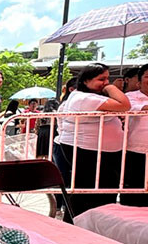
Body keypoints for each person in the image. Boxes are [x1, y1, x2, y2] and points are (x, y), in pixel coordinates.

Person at [53, 62, 131, 218]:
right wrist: (111, 88)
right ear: (85, 81)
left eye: (107, 79)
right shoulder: (84, 98)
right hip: (88, 151)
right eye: (101, 79)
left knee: (98, 192)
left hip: (98, 151)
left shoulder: (88, 97)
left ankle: (90, 224)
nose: (105, 83)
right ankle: (78, 225)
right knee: (89, 192)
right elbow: (125, 104)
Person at [122, 63, 148, 206]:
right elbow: (134, 108)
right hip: (135, 150)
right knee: (133, 190)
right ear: (139, 81)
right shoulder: (130, 96)